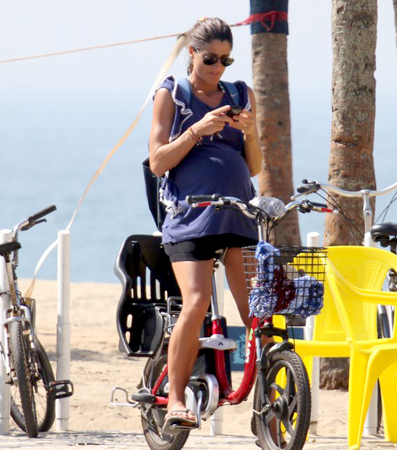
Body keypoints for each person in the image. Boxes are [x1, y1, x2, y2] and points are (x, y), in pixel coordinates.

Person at [148, 17, 262, 431]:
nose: (217, 68)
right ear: (192, 54)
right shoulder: (172, 95)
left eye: (226, 60)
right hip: (189, 217)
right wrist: (197, 130)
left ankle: (267, 399)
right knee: (196, 303)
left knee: (255, 310)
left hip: (237, 212)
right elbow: (158, 161)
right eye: (210, 59)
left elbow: (255, 166)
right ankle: (175, 399)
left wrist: (250, 133)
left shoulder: (239, 94)